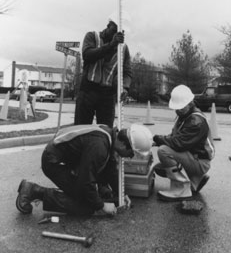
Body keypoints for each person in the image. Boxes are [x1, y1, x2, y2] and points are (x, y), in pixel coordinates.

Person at [16, 124, 152, 216]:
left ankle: (37, 191)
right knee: (86, 206)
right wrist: (101, 206)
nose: (130, 157)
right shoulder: (99, 147)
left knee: (91, 195)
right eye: (131, 153)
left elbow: (110, 170)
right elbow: (85, 181)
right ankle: (34, 191)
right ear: (123, 143)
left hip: (65, 160)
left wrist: (122, 193)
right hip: (53, 162)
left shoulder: (109, 135)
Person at [153, 84, 215, 201]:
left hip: (200, 162)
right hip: (196, 157)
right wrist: (159, 141)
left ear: (190, 103)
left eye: (181, 107)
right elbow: (175, 137)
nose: (178, 110)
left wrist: (159, 139)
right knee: (160, 167)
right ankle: (196, 179)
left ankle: (181, 189)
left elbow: (179, 144)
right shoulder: (186, 115)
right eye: (177, 107)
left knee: (163, 152)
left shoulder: (195, 121)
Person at [74, 13, 132, 128]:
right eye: (115, 29)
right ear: (108, 25)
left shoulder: (123, 48)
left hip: (107, 95)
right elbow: (87, 55)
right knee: (81, 131)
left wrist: (124, 87)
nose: (118, 34)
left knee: (106, 132)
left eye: (122, 32)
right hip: (88, 91)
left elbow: (127, 72)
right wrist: (111, 45)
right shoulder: (92, 36)